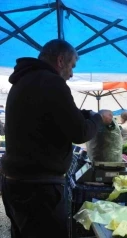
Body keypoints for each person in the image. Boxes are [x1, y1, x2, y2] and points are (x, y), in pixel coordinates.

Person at [0, 39, 113, 238]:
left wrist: (85, 114)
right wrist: (97, 117)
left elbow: (56, 116)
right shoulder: (53, 83)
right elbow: (80, 133)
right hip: (39, 191)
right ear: (61, 61)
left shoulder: (23, 81)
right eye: (72, 66)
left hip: (15, 184)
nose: (72, 74)